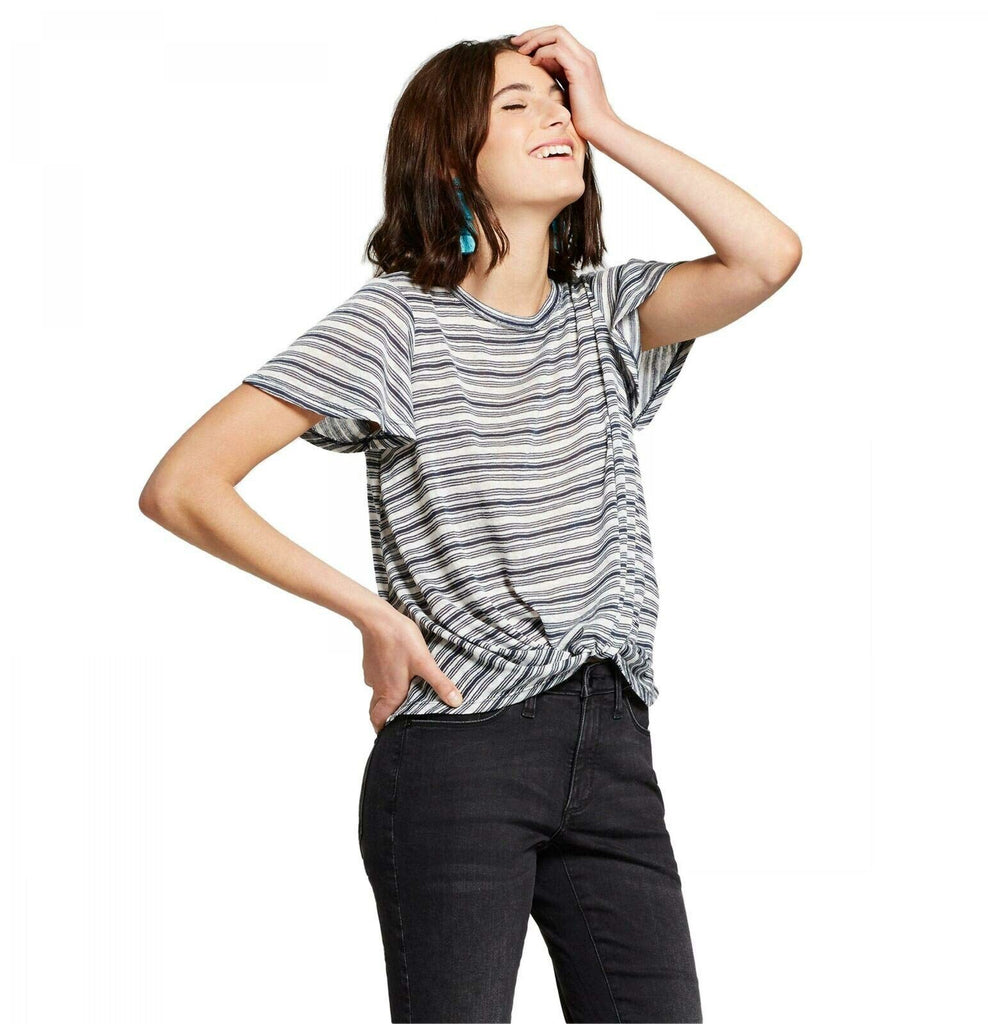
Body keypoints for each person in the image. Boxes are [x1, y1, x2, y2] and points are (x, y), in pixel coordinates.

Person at [140, 26, 800, 1024]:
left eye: (559, 101)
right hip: (461, 752)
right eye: (517, 105)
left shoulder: (607, 316)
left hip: (613, 742)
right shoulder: (396, 324)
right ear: (450, 159)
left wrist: (610, 121)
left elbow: (768, 255)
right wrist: (371, 614)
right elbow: (185, 483)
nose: (556, 118)